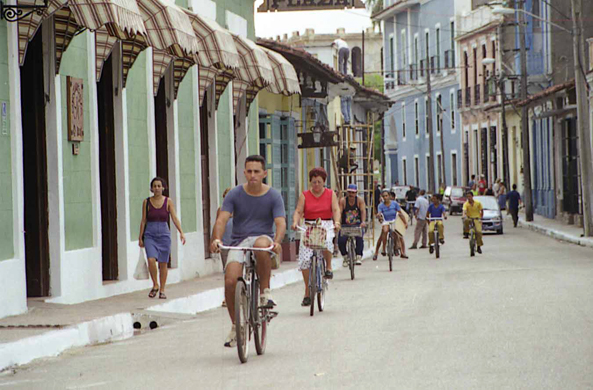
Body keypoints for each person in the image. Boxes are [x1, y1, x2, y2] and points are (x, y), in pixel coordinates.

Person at [210, 155, 286, 347]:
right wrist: (217, 239)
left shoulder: (274, 196)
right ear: (244, 173)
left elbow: (280, 223)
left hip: (262, 238)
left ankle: (265, 293)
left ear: (264, 173)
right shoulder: (234, 194)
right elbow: (222, 219)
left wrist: (277, 242)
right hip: (239, 242)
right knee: (230, 280)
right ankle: (237, 326)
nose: (253, 175)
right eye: (249, 171)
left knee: (261, 245)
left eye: (256, 171)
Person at [291, 167, 341, 307]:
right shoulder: (305, 195)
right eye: (314, 182)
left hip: (325, 224)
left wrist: (336, 222)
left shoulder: (331, 194)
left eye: (319, 182)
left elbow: (336, 210)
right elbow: (298, 211)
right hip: (309, 226)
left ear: (324, 182)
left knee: (326, 243)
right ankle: (307, 291)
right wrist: (295, 222)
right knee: (305, 259)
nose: (316, 185)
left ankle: (329, 267)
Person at [139, 177, 186, 300]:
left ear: (163, 188)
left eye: (159, 186)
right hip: (150, 234)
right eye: (154, 186)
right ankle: (155, 284)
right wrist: (140, 237)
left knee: (163, 263)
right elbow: (143, 220)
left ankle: (162, 289)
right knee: (150, 260)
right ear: (151, 188)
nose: (157, 188)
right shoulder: (146, 202)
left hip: (164, 235)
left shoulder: (168, 201)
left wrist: (181, 232)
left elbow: (174, 218)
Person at [374, 190, 408, 260]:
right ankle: (382, 250)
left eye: (386, 196)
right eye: (383, 196)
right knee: (384, 231)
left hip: (394, 221)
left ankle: (402, 252)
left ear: (389, 196)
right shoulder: (380, 205)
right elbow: (379, 213)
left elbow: (400, 213)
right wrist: (379, 216)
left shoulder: (394, 204)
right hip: (386, 221)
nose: (385, 198)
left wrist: (405, 223)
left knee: (399, 235)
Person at [338, 184, 367, 267]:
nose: (351, 195)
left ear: (356, 193)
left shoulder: (359, 200)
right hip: (345, 224)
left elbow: (363, 211)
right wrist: (338, 222)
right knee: (341, 240)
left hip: (357, 224)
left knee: (359, 238)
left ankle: (358, 256)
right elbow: (339, 212)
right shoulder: (343, 201)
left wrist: (363, 221)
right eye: (349, 192)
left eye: (353, 193)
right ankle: (345, 256)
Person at [217, 188, 233, 307]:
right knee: (227, 273)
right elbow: (218, 226)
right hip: (225, 245)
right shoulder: (221, 210)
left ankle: (241, 293)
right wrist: (216, 241)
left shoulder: (240, 210)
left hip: (238, 244)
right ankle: (227, 298)